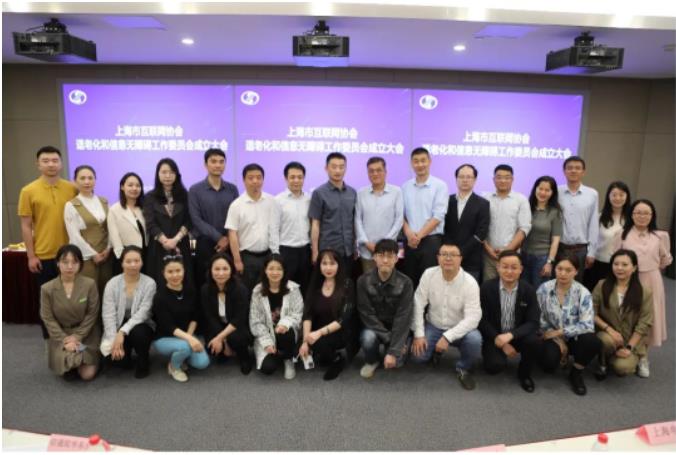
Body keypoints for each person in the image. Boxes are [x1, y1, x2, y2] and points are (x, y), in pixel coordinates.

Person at [18, 146, 77, 338]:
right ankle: (51, 341)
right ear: (38, 164)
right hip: (44, 255)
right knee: (49, 302)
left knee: (72, 300)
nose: (51, 164)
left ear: (61, 164)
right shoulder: (28, 191)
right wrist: (31, 256)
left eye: (54, 160)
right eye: (45, 161)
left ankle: (73, 340)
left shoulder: (72, 188)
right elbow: (26, 225)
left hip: (71, 255)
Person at [410, 242, 482, 390]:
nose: (448, 258)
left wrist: (447, 337)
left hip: (459, 329)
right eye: (444, 254)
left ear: (460, 259)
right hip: (434, 325)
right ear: (438, 258)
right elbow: (418, 304)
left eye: (453, 255)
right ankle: (434, 353)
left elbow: (473, 317)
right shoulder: (429, 274)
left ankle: (463, 368)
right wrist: (419, 334)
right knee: (418, 358)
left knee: (474, 340)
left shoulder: (470, 282)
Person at [613, 199, 672, 376]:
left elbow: (665, 260)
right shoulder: (622, 234)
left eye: (646, 213)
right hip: (627, 279)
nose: (642, 216)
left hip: (652, 279)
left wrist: (650, 268)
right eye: (638, 212)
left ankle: (644, 357)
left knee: (649, 318)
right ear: (631, 215)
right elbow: (615, 258)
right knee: (628, 315)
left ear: (652, 215)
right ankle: (623, 350)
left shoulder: (661, 236)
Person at [536, 253, 601, 395]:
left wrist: (561, 332)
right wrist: (556, 338)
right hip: (550, 335)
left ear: (576, 271)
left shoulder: (583, 293)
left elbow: (587, 325)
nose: (563, 273)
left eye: (568, 270)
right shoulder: (544, 289)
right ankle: (559, 355)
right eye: (559, 269)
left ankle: (576, 372)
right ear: (555, 269)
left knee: (593, 342)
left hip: (574, 337)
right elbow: (538, 317)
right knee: (548, 365)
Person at [479, 251, 541, 393]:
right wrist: (500, 340)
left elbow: (533, 322)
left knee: (533, 340)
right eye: (505, 267)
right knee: (493, 367)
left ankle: (525, 374)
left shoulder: (528, 290)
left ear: (521, 269)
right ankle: (497, 356)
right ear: (498, 267)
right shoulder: (486, 288)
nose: (509, 271)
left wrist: (511, 335)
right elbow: (481, 320)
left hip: (517, 335)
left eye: (514, 267)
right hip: (495, 336)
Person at [40, 244, 101, 380]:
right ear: (57, 263)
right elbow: (47, 318)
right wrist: (65, 339)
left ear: (80, 264)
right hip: (61, 334)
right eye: (65, 262)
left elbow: (92, 314)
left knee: (87, 375)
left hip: (86, 333)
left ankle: (89, 360)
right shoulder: (47, 289)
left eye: (74, 262)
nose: (70, 266)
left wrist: (77, 336)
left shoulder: (89, 284)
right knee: (70, 366)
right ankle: (71, 362)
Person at [356, 239, 414, 379]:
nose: (385, 260)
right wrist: (390, 341)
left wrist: (394, 350)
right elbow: (367, 315)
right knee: (367, 337)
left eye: (390, 256)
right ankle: (372, 361)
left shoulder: (406, 283)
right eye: (381, 256)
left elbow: (403, 317)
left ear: (396, 258)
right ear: (374, 257)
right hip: (374, 327)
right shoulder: (363, 281)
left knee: (397, 363)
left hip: (397, 327)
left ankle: (395, 349)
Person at [592, 249, 653, 379]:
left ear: (634, 268)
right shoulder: (602, 285)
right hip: (607, 334)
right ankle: (602, 361)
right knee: (605, 341)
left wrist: (629, 347)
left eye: (625, 265)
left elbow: (644, 323)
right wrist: (609, 330)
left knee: (622, 368)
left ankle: (631, 356)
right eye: (616, 264)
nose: (619, 268)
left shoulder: (645, 292)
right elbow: (591, 312)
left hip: (629, 339)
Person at [299, 249, 356, 381]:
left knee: (320, 344)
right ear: (319, 266)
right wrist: (305, 341)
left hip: (339, 331)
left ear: (339, 265)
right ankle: (323, 353)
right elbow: (307, 314)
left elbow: (343, 319)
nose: (328, 268)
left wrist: (318, 333)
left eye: (332, 263)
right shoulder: (315, 283)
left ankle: (338, 358)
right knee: (299, 345)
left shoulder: (347, 284)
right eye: (324, 263)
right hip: (318, 329)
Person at [100, 246, 156, 379]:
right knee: (118, 362)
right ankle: (127, 354)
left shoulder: (149, 283)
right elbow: (108, 314)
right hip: (118, 323)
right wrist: (114, 339)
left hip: (141, 324)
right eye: (128, 261)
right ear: (122, 263)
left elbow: (144, 312)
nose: (133, 265)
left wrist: (122, 332)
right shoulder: (112, 283)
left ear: (142, 262)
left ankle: (143, 359)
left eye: (137, 261)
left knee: (139, 333)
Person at [188, 148, 239, 292]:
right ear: (206, 164)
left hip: (229, 243)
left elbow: (236, 217)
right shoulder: (195, 190)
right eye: (214, 161)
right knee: (205, 283)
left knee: (229, 284)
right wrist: (219, 238)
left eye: (221, 162)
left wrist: (227, 238)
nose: (218, 165)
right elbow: (196, 219)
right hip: (204, 244)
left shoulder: (232, 189)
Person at [152, 256, 209, 382]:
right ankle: (174, 367)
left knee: (202, 363)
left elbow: (195, 317)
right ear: (163, 273)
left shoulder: (191, 290)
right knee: (185, 347)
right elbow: (168, 326)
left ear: (184, 271)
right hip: (164, 337)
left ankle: (181, 354)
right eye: (170, 272)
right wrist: (190, 340)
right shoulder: (159, 297)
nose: (175, 275)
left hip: (186, 334)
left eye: (178, 271)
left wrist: (189, 336)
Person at [225, 163, 280, 290]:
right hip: (247, 257)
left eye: (259, 177)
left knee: (267, 291)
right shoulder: (236, 205)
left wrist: (275, 255)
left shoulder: (272, 201)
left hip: (268, 255)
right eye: (251, 178)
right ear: (244, 180)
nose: (255, 181)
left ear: (263, 180)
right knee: (247, 291)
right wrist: (237, 260)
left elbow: (274, 229)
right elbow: (232, 234)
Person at [249, 254, 304, 379]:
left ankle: (288, 359)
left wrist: (284, 324)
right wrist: (267, 342)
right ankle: (278, 352)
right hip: (266, 333)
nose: (275, 272)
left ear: (284, 271)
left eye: (279, 269)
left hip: (285, 332)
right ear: (265, 270)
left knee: (285, 333)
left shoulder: (293, 288)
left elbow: (298, 313)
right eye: (271, 268)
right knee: (267, 368)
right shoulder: (257, 291)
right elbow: (255, 321)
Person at [401, 147, 448, 287]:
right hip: (410, 241)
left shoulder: (440, 185)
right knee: (410, 280)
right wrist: (409, 233)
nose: (420, 164)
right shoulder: (405, 187)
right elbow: (400, 214)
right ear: (411, 164)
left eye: (423, 160)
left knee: (429, 283)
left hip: (431, 241)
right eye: (416, 161)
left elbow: (438, 216)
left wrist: (419, 236)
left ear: (430, 162)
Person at [200, 253, 253, 375]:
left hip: (236, 326)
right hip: (218, 325)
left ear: (231, 270)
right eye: (217, 269)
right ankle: (224, 352)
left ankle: (244, 357)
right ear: (210, 271)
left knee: (236, 339)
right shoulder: (205, 289)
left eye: (225, 269)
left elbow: (239, 319)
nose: (221, 273)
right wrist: (223, 341)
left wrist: (220, 339)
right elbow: (210, 317)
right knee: (210, 349)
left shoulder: (240, 289)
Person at [64, 165, 113, 294]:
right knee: (89, 292)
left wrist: (108, 249)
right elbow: (74, 236)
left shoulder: (104, 201)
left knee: (107, 290)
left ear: (95, 180)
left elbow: (111, 228)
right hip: (86, 257)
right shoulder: (71, 205)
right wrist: (93, 254)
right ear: (75, 181)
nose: (87, 182)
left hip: (106, 255)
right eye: (82, 178)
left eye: (90, 178)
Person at [143, 158, 193, 285]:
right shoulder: (149, 197)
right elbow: (150, 223)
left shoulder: (185, 195)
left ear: (176, 175)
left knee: (183, 281)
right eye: (164, 172)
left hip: (180, 245)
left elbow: (189, 221)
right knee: (159, 281)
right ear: (158, 174)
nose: (167, 176)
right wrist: (165, 241)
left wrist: (175, 240)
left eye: (171, 172)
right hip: (158, 247)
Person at [309, 152, 357, 278]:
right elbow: (315, 224)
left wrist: (355, 247)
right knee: (328, 285)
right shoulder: (319, 193)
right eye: (334, 167)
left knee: (346, 283)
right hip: (328, 251)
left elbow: (354, 222)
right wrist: (315, 251)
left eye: (341, 167)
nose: (338, 170)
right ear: (326, 168)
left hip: (348, 250)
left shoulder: (352, 193)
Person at [482, 164, 531, 282]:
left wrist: (508, 250)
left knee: (510, 287)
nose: (502, 180)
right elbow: (479, 226)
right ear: (493, 179)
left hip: (512, 256)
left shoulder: (521, 199)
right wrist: (488, 249)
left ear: (512, 179)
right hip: (489, 255)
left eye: (507, 177)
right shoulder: (485, 198)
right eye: (499, 177)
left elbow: (524, 228)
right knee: (489, 288)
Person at [355, 157, 404, 274]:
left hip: (388, 250)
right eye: (371, 171)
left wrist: (384, 244)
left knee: (388, 281)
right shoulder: (361, 193)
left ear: (385, 172)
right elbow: (357, 220)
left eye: (378, 170)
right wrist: (366, 242)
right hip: (367, 250)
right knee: (368, 282)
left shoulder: (396, 192)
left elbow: (399, 219)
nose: (375, 174)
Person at [443, 163, 489, 282]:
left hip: (471, 259)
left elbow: (481, 232)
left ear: (475, 180)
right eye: (461, 177)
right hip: (448, 258)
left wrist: (461, 252)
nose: (465, 180)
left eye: (469, 177)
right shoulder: (446, 200)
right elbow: (443, 228)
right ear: (456, 179)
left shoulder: (483, 203)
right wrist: (452, 252)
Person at [558, 156, 600, 282]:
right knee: (557, 282)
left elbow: (593, 224)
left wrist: (591, 252)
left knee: (576, 284)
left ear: (583, 172)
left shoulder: (592, 194)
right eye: (570, 168)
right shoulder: (556, 192)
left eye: (577, 168)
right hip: (559, 248)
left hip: (580, 250)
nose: (573, 171)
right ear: (564, 171)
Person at [584, 181, 631, 292]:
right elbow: (591, 238)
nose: (617, 198)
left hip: (622, 266)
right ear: (608, 197)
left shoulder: (631, 219)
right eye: (614, 195)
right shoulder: (599, 217)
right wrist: (590, 254)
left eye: (621, 195)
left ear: (627, 197)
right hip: (599, 263)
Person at [275, 162, 312, 295]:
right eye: (292, 177)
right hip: (286, 251)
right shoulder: (278, 200)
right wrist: (275, 253)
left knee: (305, 288)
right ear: (286, 178)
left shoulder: (309, 199)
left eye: (300, 177)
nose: (296, 180)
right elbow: (273, 229)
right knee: (286, 289)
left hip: (306, 251)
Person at [521, 176, 562, 288]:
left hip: (542, 259)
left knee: (539, 291)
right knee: (524, 290)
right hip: (523, 256)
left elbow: (555, 241)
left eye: (547, 190)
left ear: (552, 193)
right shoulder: (526, 207)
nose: (543, 193)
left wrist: (549, 262)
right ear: (535, 189)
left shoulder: (555, 212)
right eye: (540, 189)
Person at [107, 172, 148, 276]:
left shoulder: (144, 208)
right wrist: (124, 259)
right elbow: (115, 238)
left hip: (145, 256)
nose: (134, 188)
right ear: (122, 187)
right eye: (130, 185)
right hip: (125, 258)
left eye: (138, 186)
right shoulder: (114, 209)